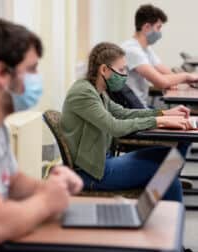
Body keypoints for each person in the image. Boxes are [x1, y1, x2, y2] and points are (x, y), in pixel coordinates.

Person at [0, 19, 83, 252]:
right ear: (1, 73)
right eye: (31, 69)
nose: (37, 77)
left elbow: (11, 181)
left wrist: (48, 187)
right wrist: (46, 201)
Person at [60, 42, 193, 204]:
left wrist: (164, 113)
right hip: (93, 174)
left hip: (103, 163)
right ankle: (163, 216)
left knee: (169, 158)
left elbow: (123, 113)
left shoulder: (97, 91)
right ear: (104, 70)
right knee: (166, 169)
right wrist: (158, 121)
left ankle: (152, 213)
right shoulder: (83, 93)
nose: (125, 75)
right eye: (121, 70)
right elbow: (114, 127)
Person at [121, 4, 198, 107]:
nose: (159, 32)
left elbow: (166, 72)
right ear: (147, 27)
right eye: (158, 27)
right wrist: (187, 76)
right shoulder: (131, 50)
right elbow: (161, 82)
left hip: (141, 105)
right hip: (133, 109)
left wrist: (190, 80)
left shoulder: (145, 49)